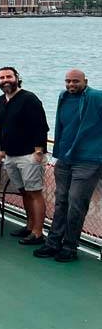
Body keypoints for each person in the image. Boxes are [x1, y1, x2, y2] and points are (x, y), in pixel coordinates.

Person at [34, 69, 102, 262]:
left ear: (85, 81)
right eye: (68, 81)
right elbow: (62, 125)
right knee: (61, 201)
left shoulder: (97, 97)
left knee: (76, 205)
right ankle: (53, 243)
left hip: (88, 160)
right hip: (65, 158)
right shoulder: (63, 96)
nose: (71, 85)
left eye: (75, 82)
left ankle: (70, 247)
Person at [0, 67, 49, 245]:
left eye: (9, 76)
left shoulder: (29, 99)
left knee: (34, 192)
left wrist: (39, 151)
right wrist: (3, 149)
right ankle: (29, 226)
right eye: (1, 78)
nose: (5, 80)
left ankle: (38, 232)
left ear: (17, 78)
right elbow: (2, 127)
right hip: (10, 156)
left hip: (30, 155)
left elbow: (41, 126)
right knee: (24, 192)